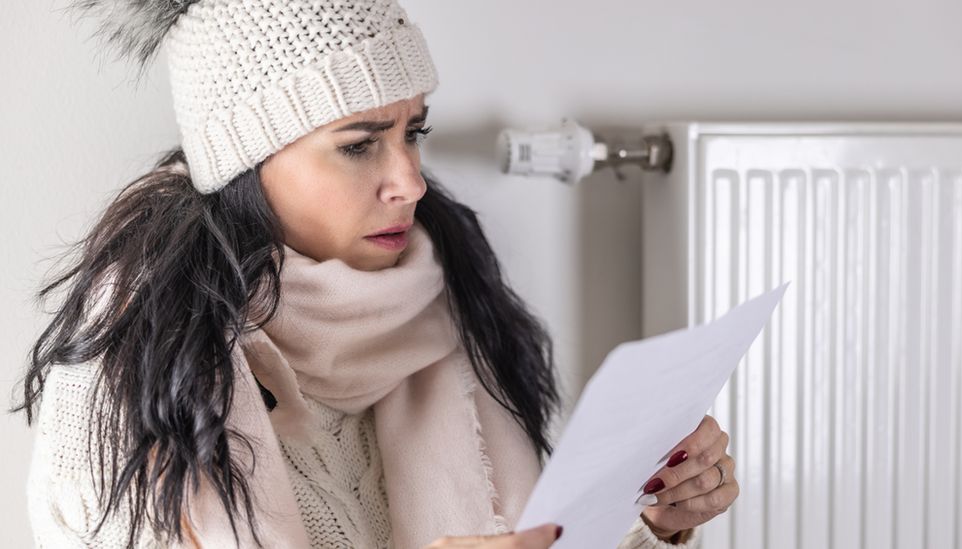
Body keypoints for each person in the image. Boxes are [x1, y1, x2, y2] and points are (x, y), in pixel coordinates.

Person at [13, 0, 738, 547]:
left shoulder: (441, 308)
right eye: (360, 145)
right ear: (246, 165)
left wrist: (647, 517)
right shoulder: (131, 375)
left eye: (412, 132)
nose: (412, 181)